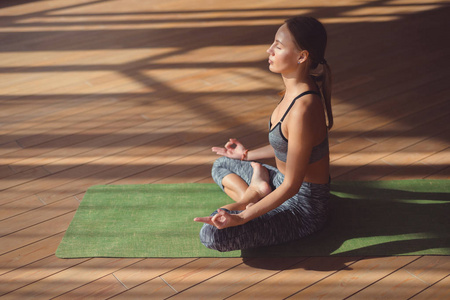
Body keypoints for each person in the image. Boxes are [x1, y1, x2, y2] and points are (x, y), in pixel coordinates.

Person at [194, 16, 333, 252]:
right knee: (222, 164)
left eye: (278, 46)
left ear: (302, 56)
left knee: (212, 235)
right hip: (279, 181)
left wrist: (242, 216)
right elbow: (292, 147)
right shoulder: (292, 92)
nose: (269, 50)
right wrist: (246, 155)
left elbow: (292, 185)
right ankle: (256, 191)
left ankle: (253, 194)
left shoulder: (304, 108)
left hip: (303, 206)